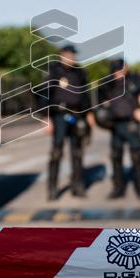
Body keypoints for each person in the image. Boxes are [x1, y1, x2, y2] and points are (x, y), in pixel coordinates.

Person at [95, 58, 140, 200]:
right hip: (115, 124)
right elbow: (98, 100)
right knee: (116, 157)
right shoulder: (106, 83)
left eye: (121, 69)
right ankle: (118, 189)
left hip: (131, 123)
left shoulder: (137, 80)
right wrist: (102, 115)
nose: (119, 72)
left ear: (127, 68)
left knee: (136, 157)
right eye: (116, 70)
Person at [45, 45, 94, 200]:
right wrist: (46, 118)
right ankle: (52, 189)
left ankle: (77, 186)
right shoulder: (53, 70)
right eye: (67, 55)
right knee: (56, 152)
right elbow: (44, 94)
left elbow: (86, 95)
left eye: (72, 56)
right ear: (61, 55)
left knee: (77, 152)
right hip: (59, 115)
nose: (70, 58)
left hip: (76, 115)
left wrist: (89, 114)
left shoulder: (80, 72)